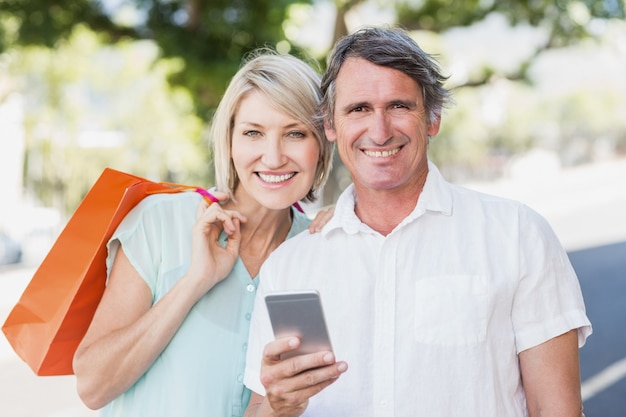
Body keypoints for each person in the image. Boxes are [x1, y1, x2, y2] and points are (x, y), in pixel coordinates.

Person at [242, 26, 592, 417]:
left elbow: (558, 410)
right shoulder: (289, 266)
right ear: (330, 126)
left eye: (399, 106)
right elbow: (260, 408)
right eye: (358, 109)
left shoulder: (519, 236)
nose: (379, 131)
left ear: (433, 117)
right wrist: (278, 407)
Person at [72, 49, 334, 417]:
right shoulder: (161, 222)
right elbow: (92, 387)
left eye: (295, 133)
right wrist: (195, 281)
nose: (273, 157)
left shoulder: (319, 250)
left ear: (322, 146)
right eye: (253, 133)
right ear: (229, 142)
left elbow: (279, 402)